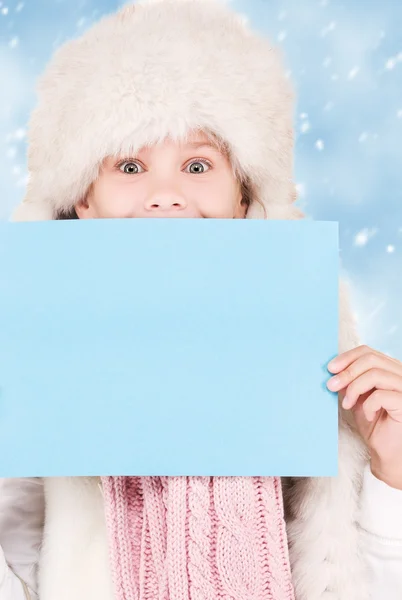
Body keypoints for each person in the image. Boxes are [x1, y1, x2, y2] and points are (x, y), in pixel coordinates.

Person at [1, 0, 402, 599]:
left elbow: (347, 575)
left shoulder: (304, 343)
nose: (165, 195)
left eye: (196, 164)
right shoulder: (35, 352)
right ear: (84, 200)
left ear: (243, 198)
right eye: (131, 164)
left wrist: (391, 473)